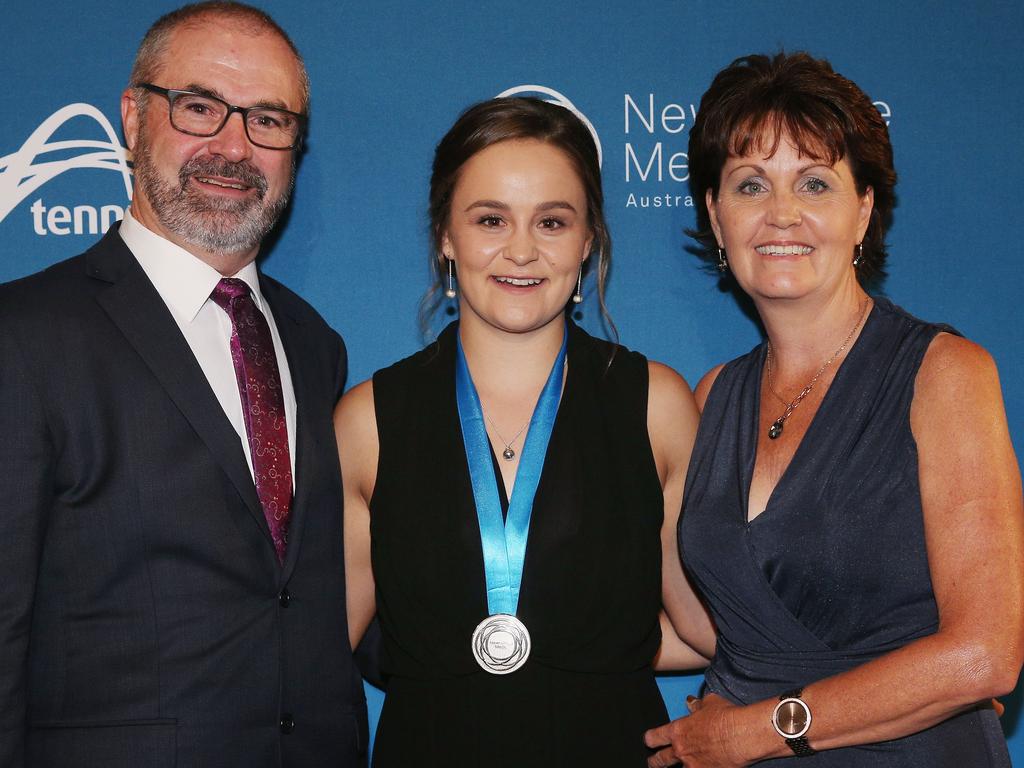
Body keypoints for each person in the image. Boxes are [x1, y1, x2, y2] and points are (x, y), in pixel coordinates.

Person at [0, 3, 369, 766]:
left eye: (269, 120)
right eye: (200, 107)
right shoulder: (23, 336)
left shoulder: (312, 343)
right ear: (133, 118)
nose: (234, 147)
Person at [644, 52, 1024, 767]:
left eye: (814, 183)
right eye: (750, 185)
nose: (781, 213)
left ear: (863, 211)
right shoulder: (712, 396)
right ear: (716, 219)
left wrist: (757, 730)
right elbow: (707, 627)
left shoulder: (944, 375)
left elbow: (986, 655)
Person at [336, 96, 714, 766]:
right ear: (446, 236)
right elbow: (319, 646)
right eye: (489, 220)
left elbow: (704, 625)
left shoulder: (655, 404)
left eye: (552, 221)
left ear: (588, 238)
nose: (520, 250)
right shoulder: (369, 420)